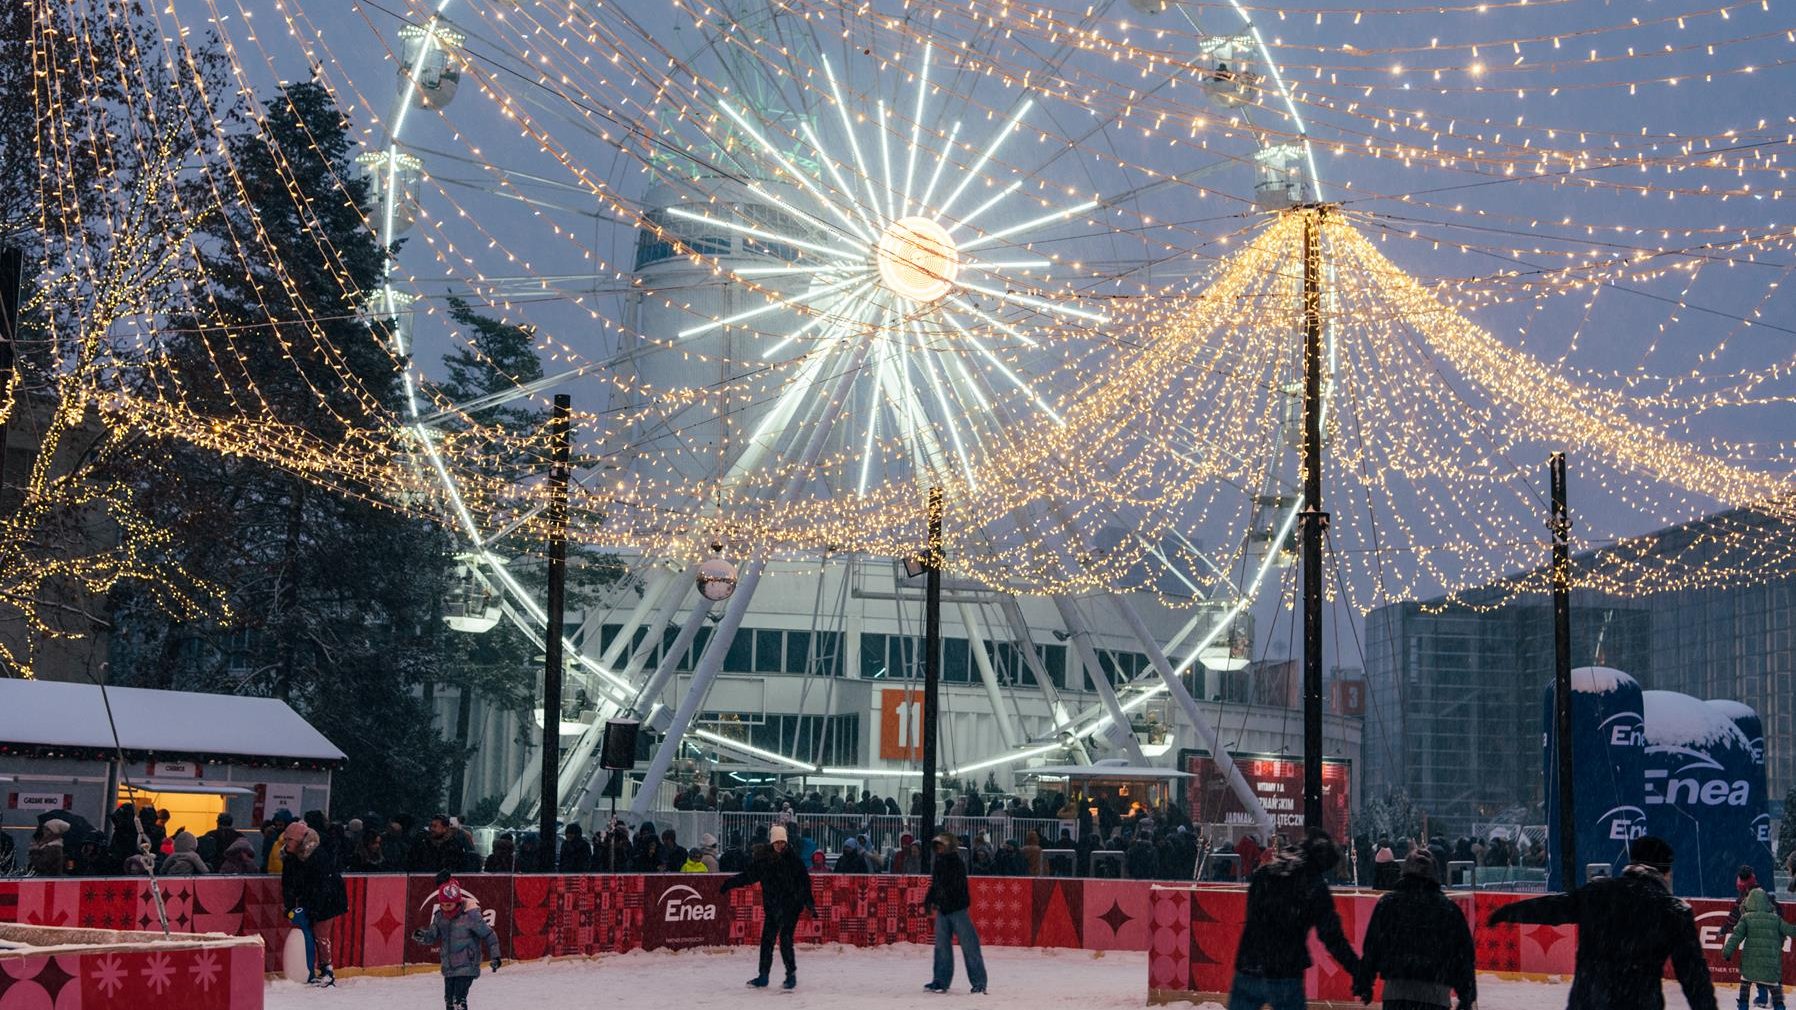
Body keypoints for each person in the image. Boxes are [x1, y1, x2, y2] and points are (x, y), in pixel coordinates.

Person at [1489, 835, 1716, 1010]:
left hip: (1589, 1001)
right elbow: (1693, 975)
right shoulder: (1673, 910)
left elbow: (1554, 908)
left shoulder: (1599, 893)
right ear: (1665, 871)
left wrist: (1508, 912)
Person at [1227, 828, 1360, 1010]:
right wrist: (1357, 970)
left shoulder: (1265, 873)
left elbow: (1253, 917)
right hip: (1285, 971)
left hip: (1249, 965)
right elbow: (1332, 937)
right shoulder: (1313, 885)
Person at [1352, 849, 1474, 1010]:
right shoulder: (1448, 909)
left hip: (1397, 991)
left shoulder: (1388, 904)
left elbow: (1373, 947)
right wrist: (1466, 995)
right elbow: (1463, 955)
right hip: (1435, 994)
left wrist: (1365, 982)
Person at [719, 824, 814, 990]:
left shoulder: (794, 860)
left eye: (782, 842)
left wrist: (809, 903)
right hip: (772, 907)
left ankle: (790, 975)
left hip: (790, 907)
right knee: (767, 941)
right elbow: (748, 876)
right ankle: (763, 976)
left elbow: (804, 883)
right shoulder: (764, 861)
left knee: (785, 940)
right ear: (771, 843)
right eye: (777, 842)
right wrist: (729, 883)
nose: (780, 846)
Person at [413, 879, 501, 1010]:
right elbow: (432, 936)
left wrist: (496, 956)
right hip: (449, 966)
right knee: (449, 1002)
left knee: (459, 1001)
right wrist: (422, 936)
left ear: (457, 902)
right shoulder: (440, 917)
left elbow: (488, 934)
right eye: (442, 905)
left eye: (449, 905)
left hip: (467, 965)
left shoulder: (471, 917)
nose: (445, 908)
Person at [281, 821, 348, 987]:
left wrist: (315, 910)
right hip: (312, 897)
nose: (286, 843)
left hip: (330, 899)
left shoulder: (317, 856)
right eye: (286, 840)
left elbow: (323, 885)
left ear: (299, 841)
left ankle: (327, 971)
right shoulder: (290, 857)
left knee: (320, 933)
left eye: (289, 840)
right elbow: (288, 883)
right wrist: (289, 905)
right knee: (310, 932)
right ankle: (310, 969)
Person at [924, 832, 987, 994]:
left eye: (941, 846)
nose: (938, 850)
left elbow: (957, 885)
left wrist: (945, 895)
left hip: (957, 909)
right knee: (941, 947)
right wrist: (929, 900)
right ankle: (940, 980)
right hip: (943, 909)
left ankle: (979, 982)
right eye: (936, 847)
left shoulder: (957, 863)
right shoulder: (938, 862)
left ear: (949, 847)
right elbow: (935, 883)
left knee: (969, 946)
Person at [1722, 887, 1795, 1010]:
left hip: (1750, 965)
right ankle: (1779, 1007)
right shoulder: (1775, 919)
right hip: (1770, 967)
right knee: (1777, 999)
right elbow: (1791, 931)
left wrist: (1726, 953)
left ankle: (1743, 1007)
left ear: (1749, 902)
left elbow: (1735, 938)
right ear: (1766, 903)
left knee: (1744, 992)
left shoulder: (1746, 918)